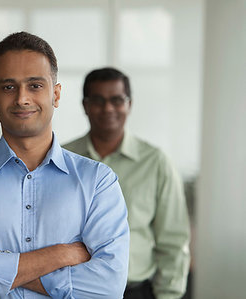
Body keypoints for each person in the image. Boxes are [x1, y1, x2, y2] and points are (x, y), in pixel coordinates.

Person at [0, 32, 129, 298]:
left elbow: (107, 289)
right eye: (8, 87)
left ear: (56, 94)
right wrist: (62, 254)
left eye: (35, 85)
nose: (22, 98)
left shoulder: (98, 182)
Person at [63, 67, 190, 299]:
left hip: (136, 291)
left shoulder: (155, 162)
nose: (108, 108)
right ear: (85, 106)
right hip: (72, 290)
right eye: (98, 100)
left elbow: (174, 240)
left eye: (117, 100)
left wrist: (169, 295)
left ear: (129, 104)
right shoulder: (62, 160)